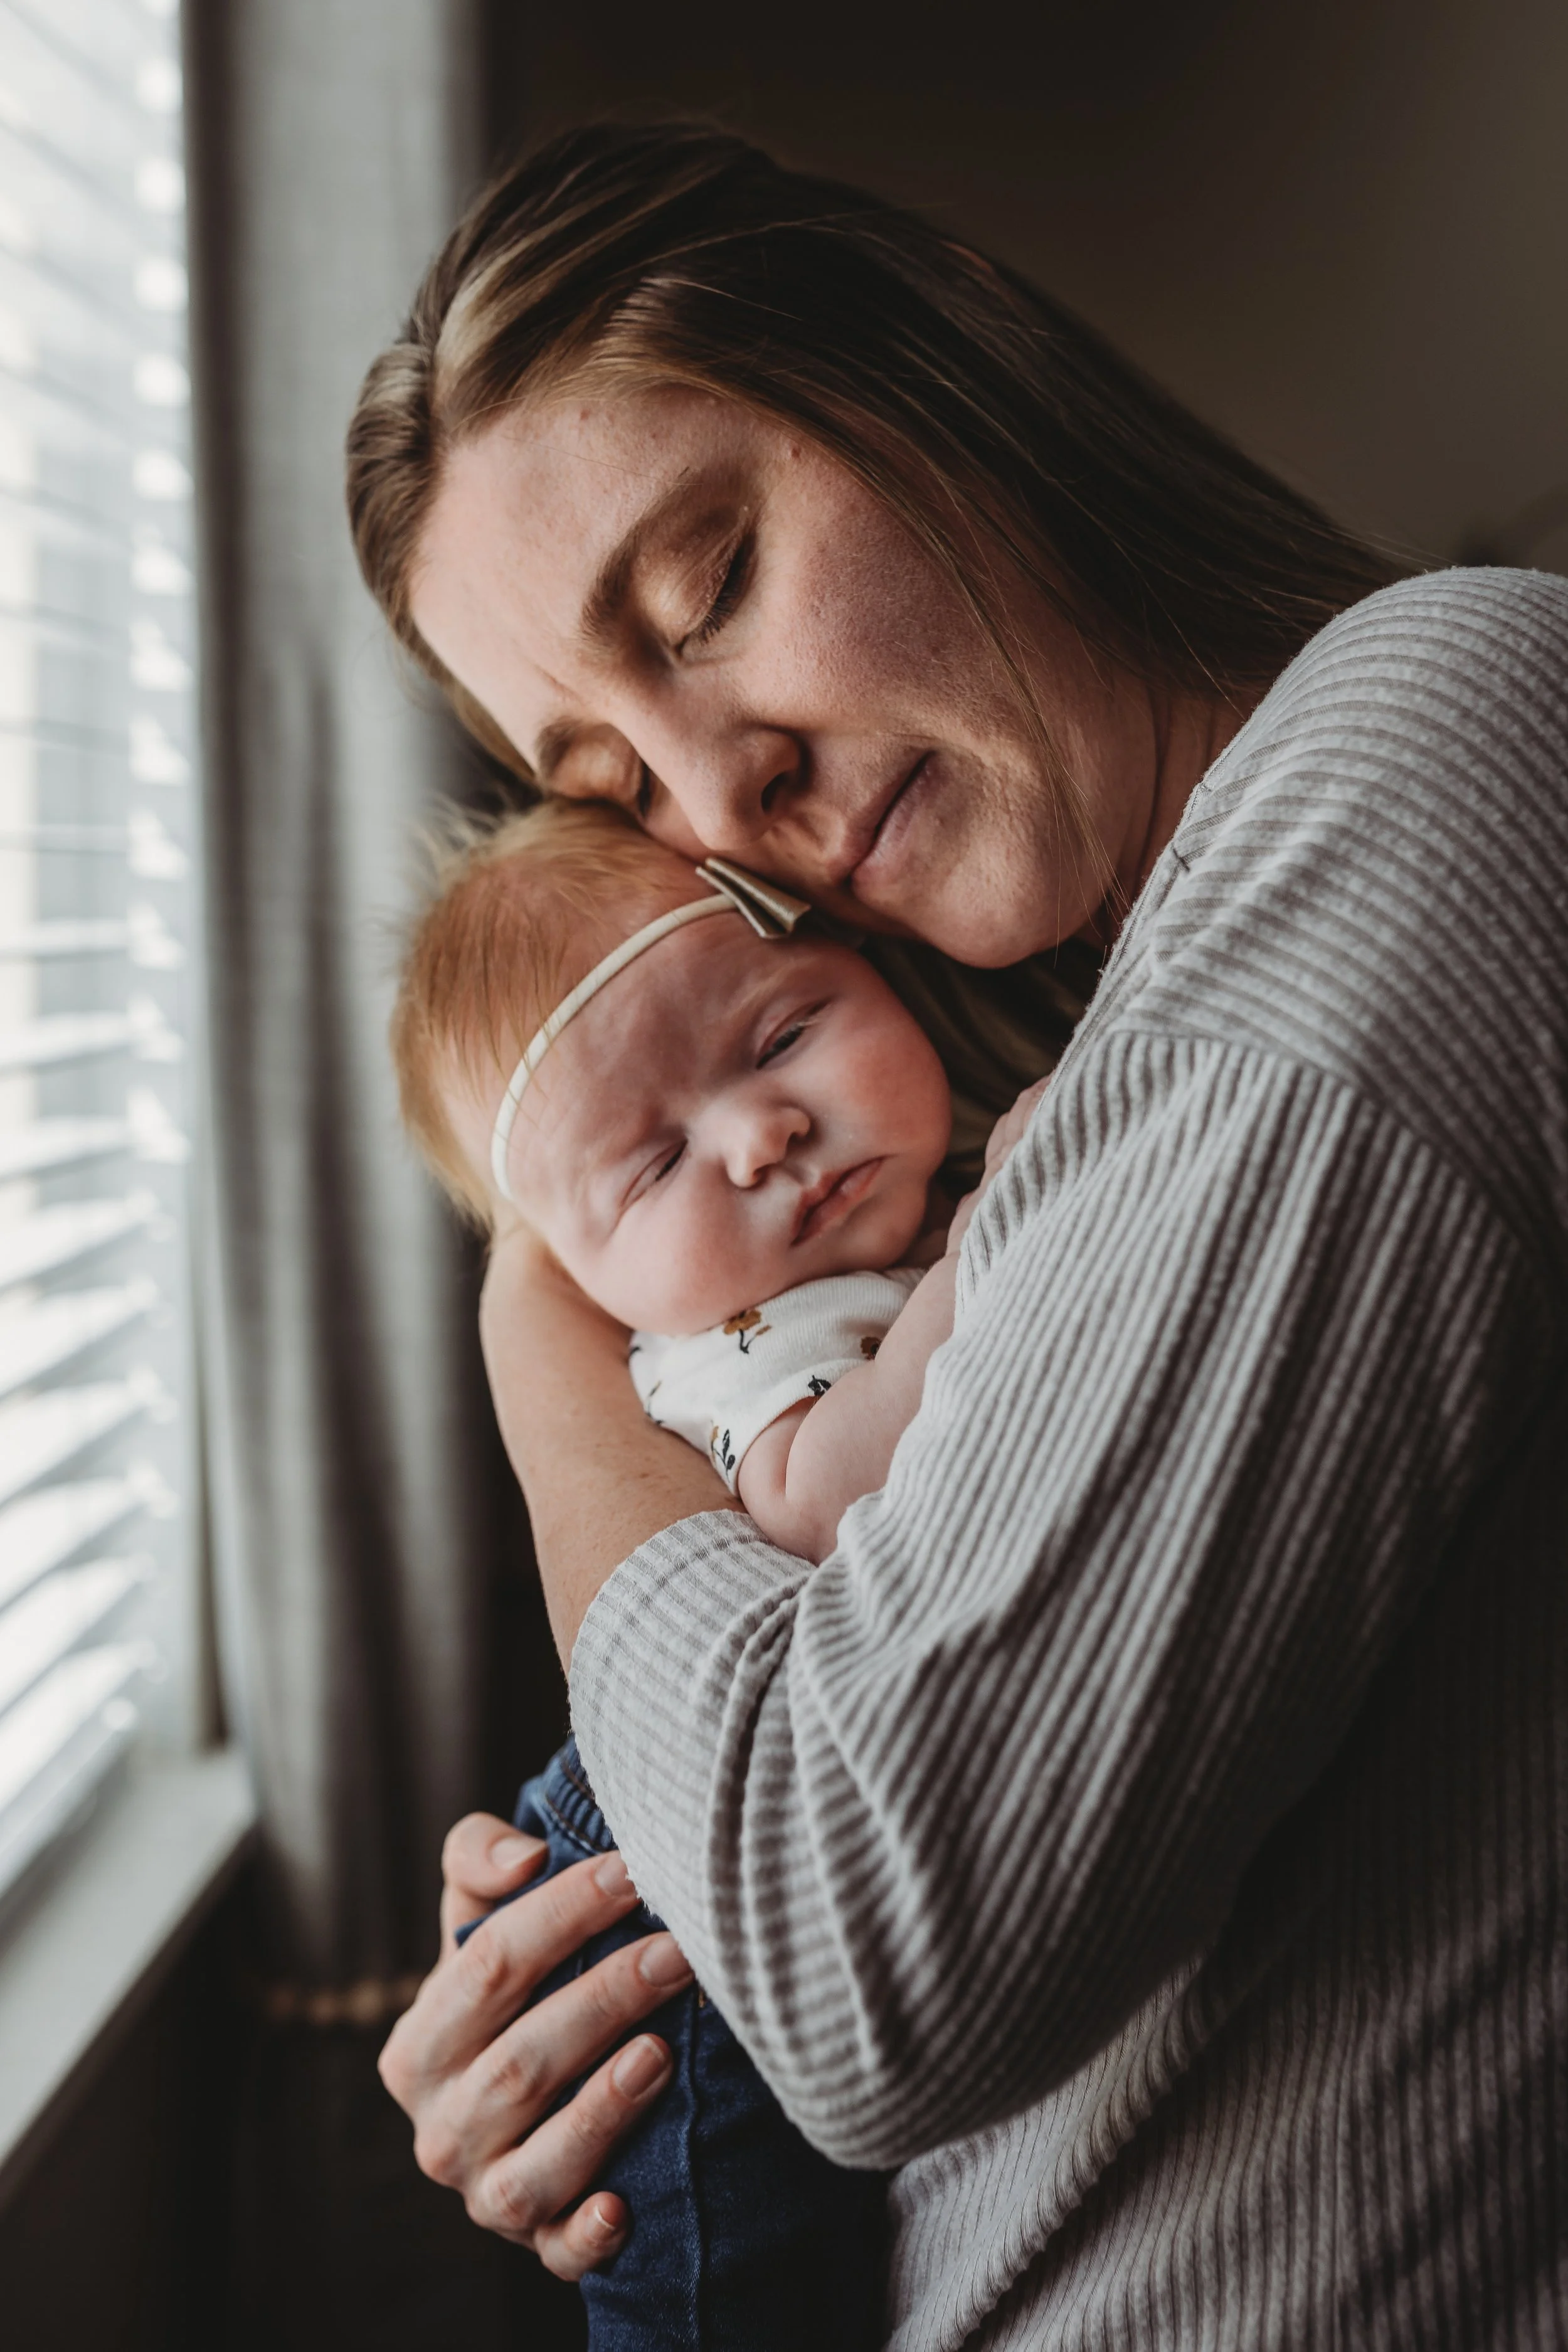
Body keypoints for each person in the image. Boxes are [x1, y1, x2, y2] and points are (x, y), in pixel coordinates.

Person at [349, 124, 1568, 2346]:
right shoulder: (1087, 1094)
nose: (727, 807)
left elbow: (871, 1958)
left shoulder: (1432, 745)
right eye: (615, 789)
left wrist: (543, 1327)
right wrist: (629, 2011)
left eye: (705, 589)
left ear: (934, 368)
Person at [388, 797, 1040, 2341]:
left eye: (783, 1033)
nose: (763, 1135)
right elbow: (817, 1495)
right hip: (664, 1882)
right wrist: (984, 1251)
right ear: (571, 1280)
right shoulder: (735, 1345)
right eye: (653, 1162)